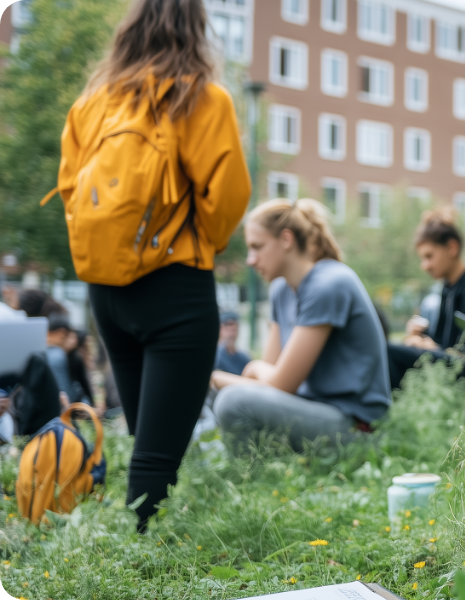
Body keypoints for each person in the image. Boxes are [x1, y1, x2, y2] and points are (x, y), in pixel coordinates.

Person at [61, 0, 251, 533]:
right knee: (155, 455)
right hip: (174, 285)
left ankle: (142, 537)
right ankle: (140, 562)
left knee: (146, 432)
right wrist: (198, 244)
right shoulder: (201, 99)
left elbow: (73, 192)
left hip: (105, 290)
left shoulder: (92, 105)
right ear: (196, 29)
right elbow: (228, 197)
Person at [211, 199, 391, 452]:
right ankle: (210, 463)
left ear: (286, 240)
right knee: (210, 389)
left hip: (352, 426)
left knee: (231, 399)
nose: (250, 260)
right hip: (306, 410)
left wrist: (250, 367)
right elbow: (272, 380)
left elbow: (281, 384)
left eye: (257, 247)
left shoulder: (328, 283)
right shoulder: (280, 289)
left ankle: (250, 480)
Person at [388, 208, 465, 389]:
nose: (424, 266)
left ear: (452, 248)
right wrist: (421, 337)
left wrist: (429, 349)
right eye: (422, 259)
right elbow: (445, 345)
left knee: (390, 352)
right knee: (396, 349)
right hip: (455, 370)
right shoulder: (449, 289)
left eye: (429, 256)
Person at [214, 311, 251, 375]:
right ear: (220, 329)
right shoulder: (216, 355)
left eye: (234, 330)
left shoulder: (243, 357)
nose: (231, 334)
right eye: (228, 330)